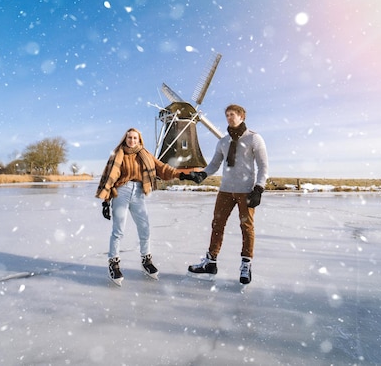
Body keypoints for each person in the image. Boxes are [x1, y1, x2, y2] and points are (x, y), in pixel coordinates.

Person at [183, 104, 268, 285]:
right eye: (227, 115)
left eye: (233, 114)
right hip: (225, 191)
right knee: (217, 224)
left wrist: (259, 188)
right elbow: (214, 164)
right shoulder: (223, 141)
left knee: (247, 227)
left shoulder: (254, 138)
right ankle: (210, 262)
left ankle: (246, 264)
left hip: (246, 191)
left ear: (242, 116)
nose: (229, 117)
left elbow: (263, 166)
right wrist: (203, 173)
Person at [96, 127, 183, 286]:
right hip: (121, 192)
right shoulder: (118, 154)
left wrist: (182, 174)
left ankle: (146, 260)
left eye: (135, 138)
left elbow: (161, 168)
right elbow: (109, 175)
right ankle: (113, 262)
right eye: (129, 138)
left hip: (139, 193)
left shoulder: (145, 154)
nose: (132, 140)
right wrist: (106, 201)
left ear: (139, 140)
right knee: (118, 230)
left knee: (145, 228)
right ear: (125, 139)